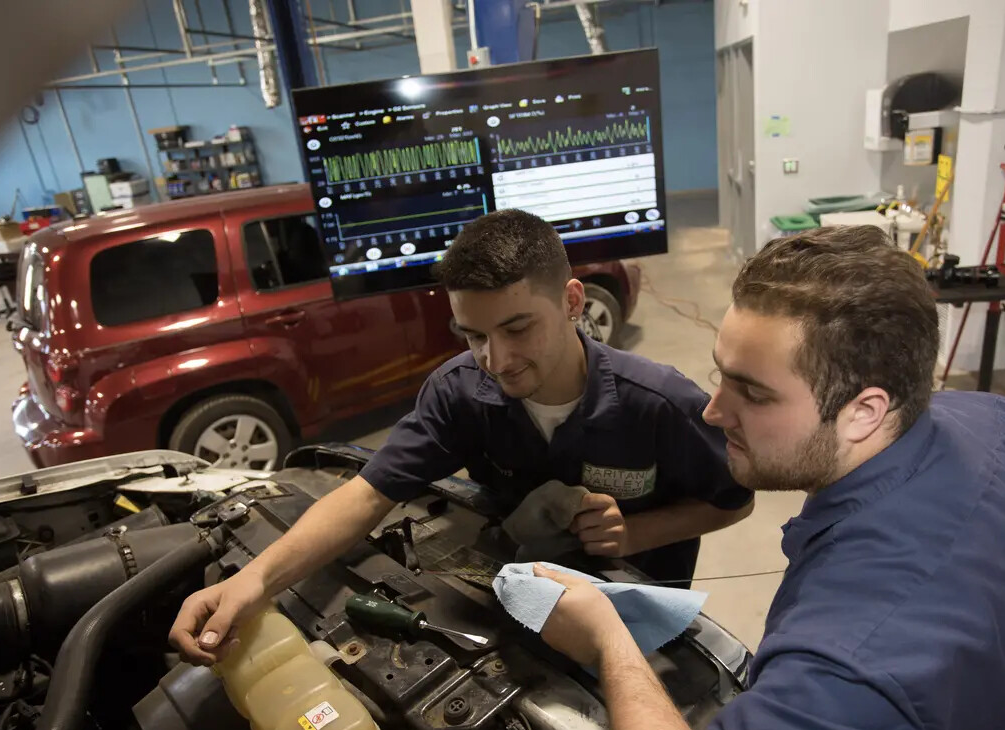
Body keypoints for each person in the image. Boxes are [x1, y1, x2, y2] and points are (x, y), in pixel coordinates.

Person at [534, 225, 1005, 730]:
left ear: (865, 411)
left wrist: (608, 643)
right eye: (721, 374)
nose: (713, 411)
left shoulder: (851, 650)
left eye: (754, 392)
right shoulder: (1004, 423)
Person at [170, 208, 753, 664]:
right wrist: (252, 582)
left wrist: (638, 532)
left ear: (572, 302)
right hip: (514, 610)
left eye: (517, 327)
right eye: (472, 334)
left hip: (635, 619)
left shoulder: (661, 403)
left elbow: (735, 500)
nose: (495, 359)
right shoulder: (458, 392)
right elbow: (366, 494)